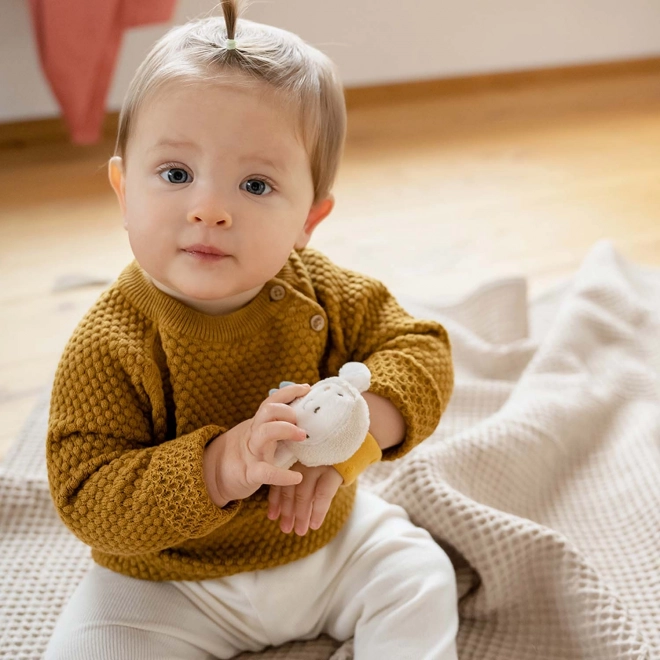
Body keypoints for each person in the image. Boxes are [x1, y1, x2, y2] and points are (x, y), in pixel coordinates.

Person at [44, 1, 458, 658]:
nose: (209, 209)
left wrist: (352, 446)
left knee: (418, 578)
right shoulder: (111, 342)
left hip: (324, 543)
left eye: (256, 184)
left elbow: (423, 352)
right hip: (169, 583)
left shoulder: (320, 288)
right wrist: (218, 466)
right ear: (125, 191)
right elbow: (85, 494)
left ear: (308, 220)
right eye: (176, 174)